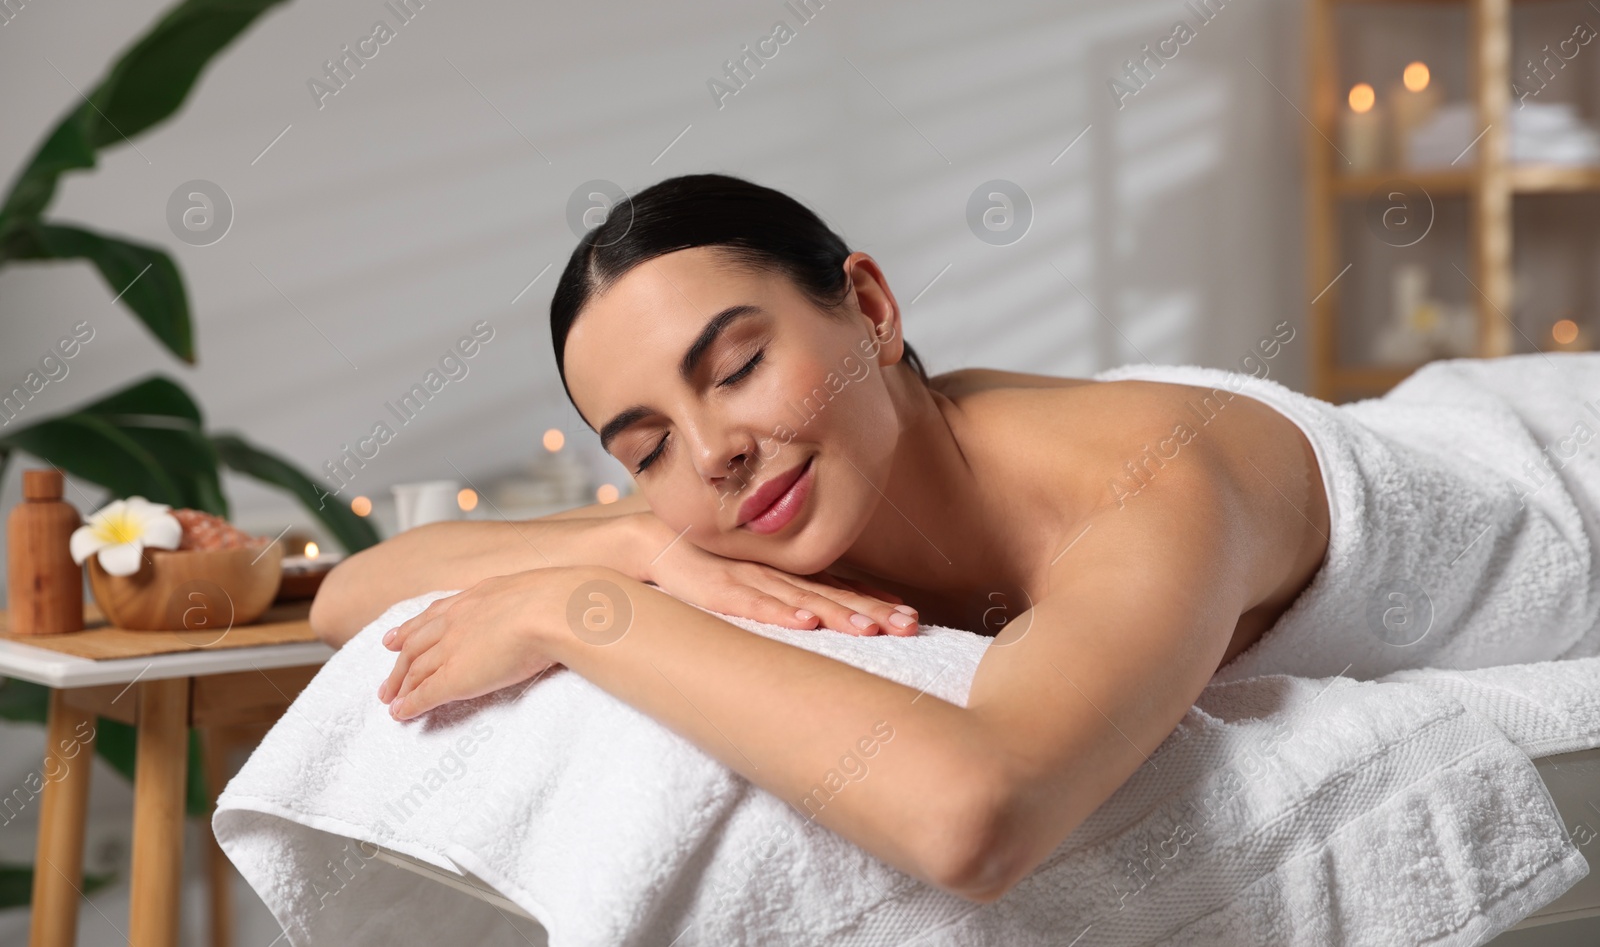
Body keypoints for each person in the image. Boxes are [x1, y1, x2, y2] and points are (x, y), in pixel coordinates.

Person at [308, 172, 1331, 903]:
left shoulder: (1145, 480)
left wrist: (583, 611)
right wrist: (638, 551)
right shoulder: (739, 496)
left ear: (872, 309)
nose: (710, 452)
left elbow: (976, 818)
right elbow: (353, 593)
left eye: (739, 365)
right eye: (646, 446)